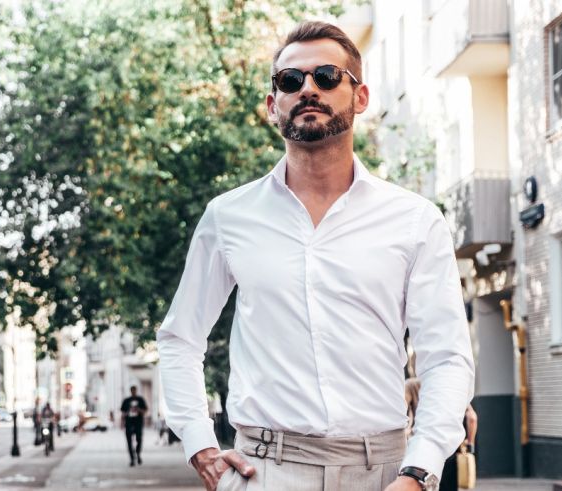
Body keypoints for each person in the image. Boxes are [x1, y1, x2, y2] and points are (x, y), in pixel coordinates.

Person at [157, 20, 475, 491]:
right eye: (290, 80)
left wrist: (420, 470)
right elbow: (180, 337)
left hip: (385, 472)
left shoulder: (414, 219)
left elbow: (446, 358)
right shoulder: (229, 217)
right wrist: (200, 444)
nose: (308, 88)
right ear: (273, 105)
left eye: (326, 77)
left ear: (360, 97)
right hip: (265, 470)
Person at [406, 378, 478, 491]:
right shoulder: (449, 383)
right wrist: (470, 444)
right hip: (450, 447)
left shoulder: (411, 385)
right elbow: (472, 418)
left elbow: (403, 410)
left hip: (422, 448)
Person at [120, 385, 148, 466]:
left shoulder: (140, 400)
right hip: (129, 423)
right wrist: (122, 423)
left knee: (139, 439)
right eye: (132, 390)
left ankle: (138, 454)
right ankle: (132, 459)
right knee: (129, 441)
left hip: (138, 423)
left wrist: (139, 410)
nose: (133, 392)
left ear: (136, 391)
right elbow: (123, 412)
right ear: (130, 391)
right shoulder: (126, 400)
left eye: (134, 390)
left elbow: (145, 410)